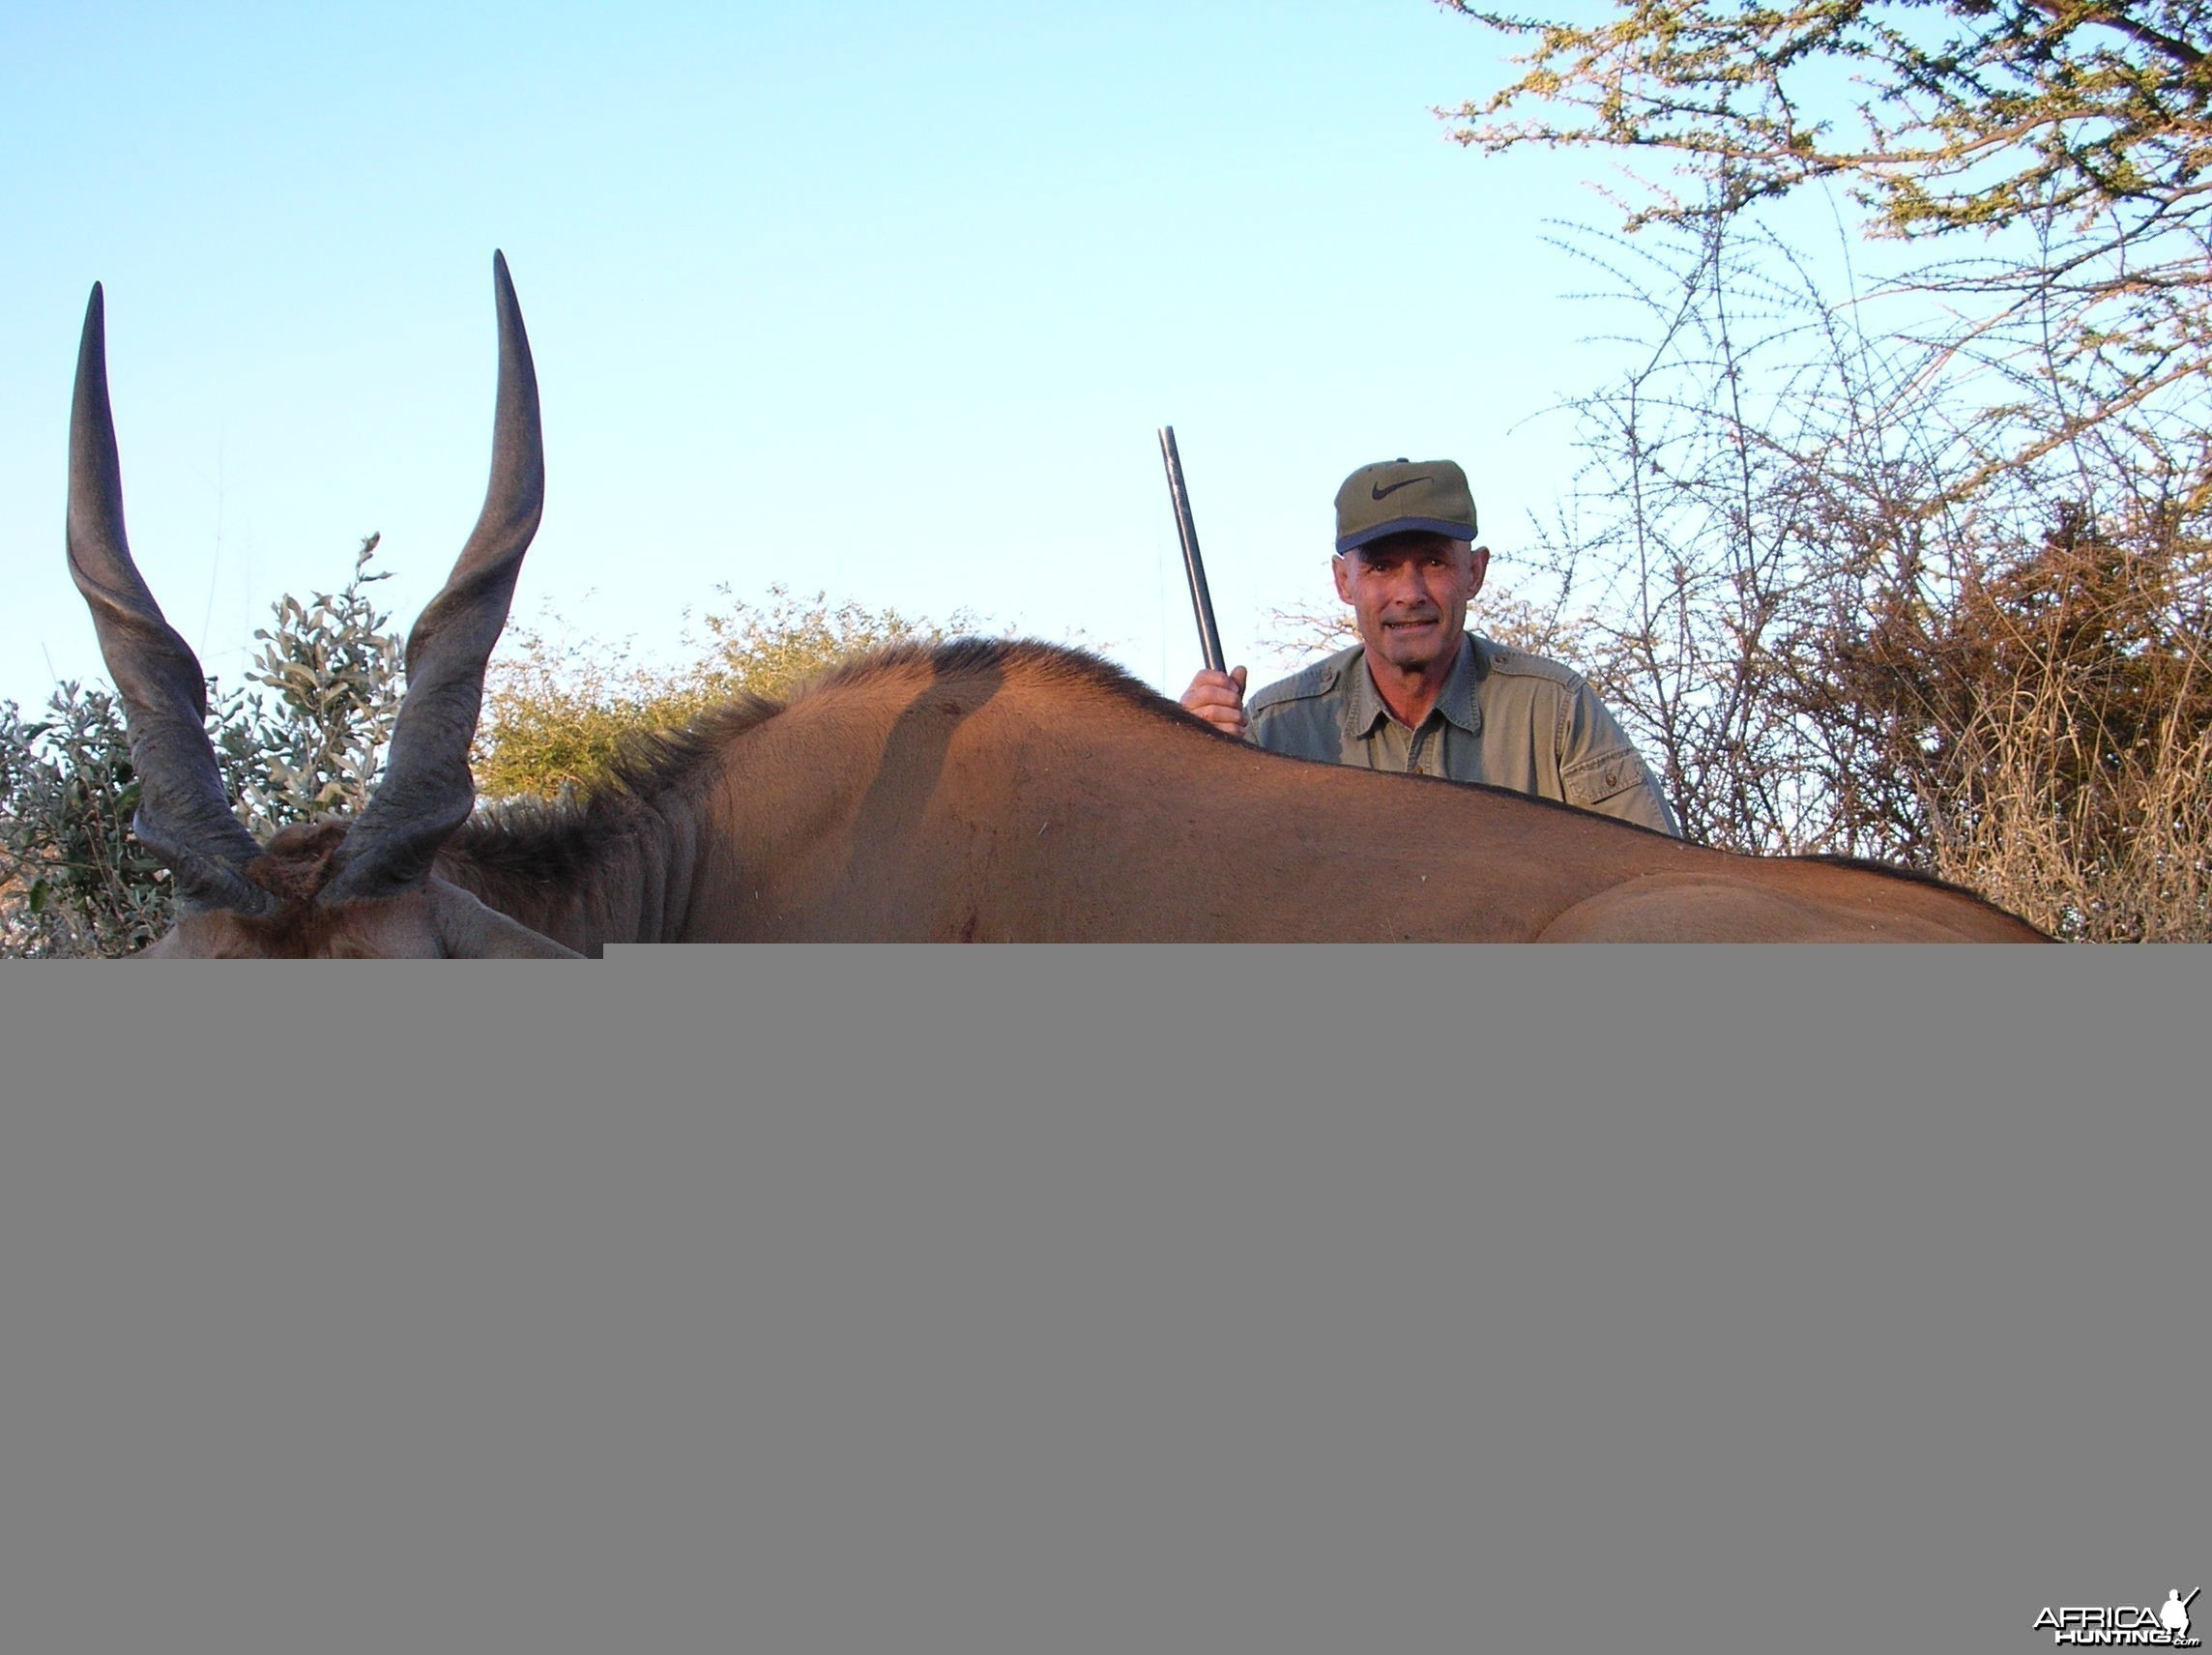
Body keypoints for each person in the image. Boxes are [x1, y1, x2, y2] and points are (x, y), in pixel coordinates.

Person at [1181, 458, 1680, 835]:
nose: (1410, 592)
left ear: (1475, 572)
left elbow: (1656, 881)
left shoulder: (1556, 711)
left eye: (1434, 563)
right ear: (1343, 582)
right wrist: (1188, 762)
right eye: (1381, 567)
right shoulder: (1272, 728)